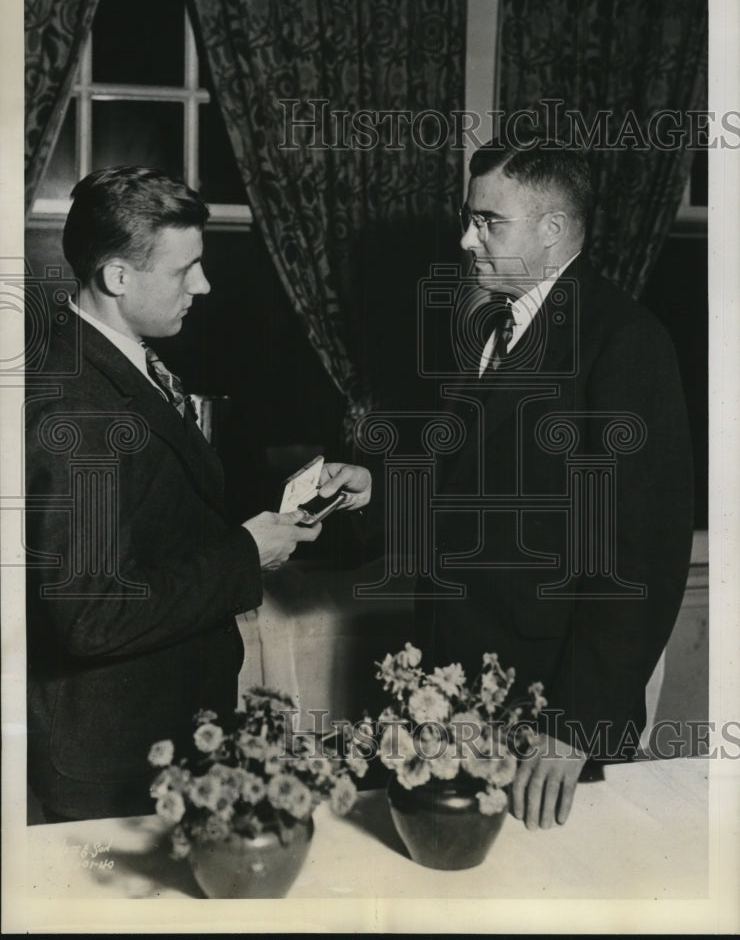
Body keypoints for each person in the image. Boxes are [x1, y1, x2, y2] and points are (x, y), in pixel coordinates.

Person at [25, 166, 371, 822]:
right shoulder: (81, 410)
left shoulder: (119, 363)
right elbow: (93, 615)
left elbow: (161, 513)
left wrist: (289, 500)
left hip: (160, 730)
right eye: (185, 269)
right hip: (116, 760)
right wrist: (246, 554)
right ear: (117, 277)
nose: (204, 285)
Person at [415, 135, 693, 830]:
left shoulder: (626, 342)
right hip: (459, 688)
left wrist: (575, 724)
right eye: (470, 217)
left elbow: (643, 557)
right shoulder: (485, 329)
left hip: (551, 717)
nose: (466, 239)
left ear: (553, 229)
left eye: (487, 222)